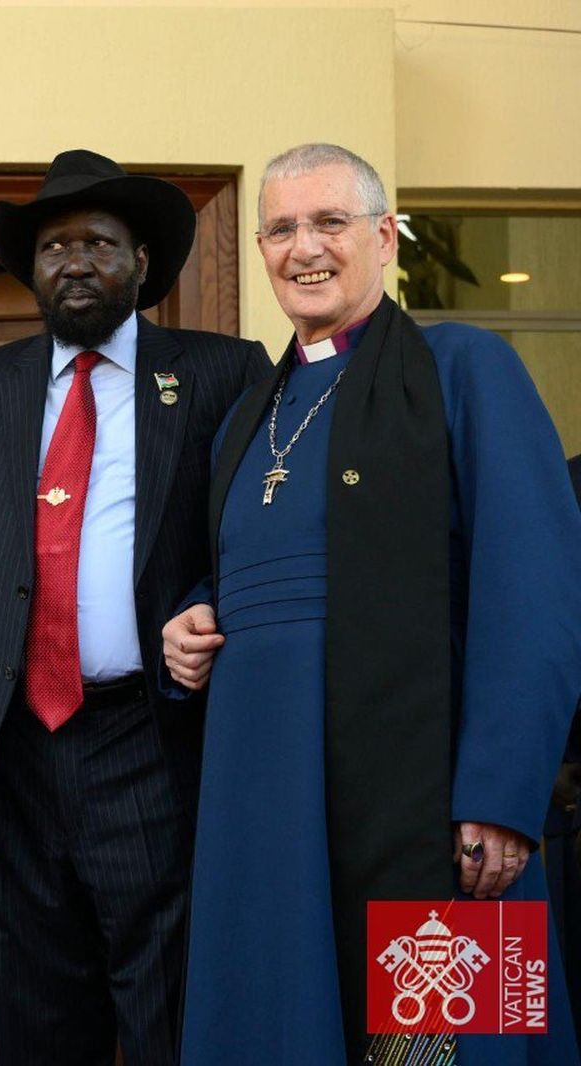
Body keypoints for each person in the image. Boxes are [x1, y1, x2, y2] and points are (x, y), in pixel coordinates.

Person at [164, 142, 581, 1063]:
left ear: (384, 238)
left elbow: (536, 590)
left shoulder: (465, 368)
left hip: (425, 801)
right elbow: (258, 563)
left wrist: (503, 796)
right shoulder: (247, 414)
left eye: (329, 223)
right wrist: (193, 618)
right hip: (263, 798)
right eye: (280, 228)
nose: (302, 247)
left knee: (444, 1038)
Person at [0, 149, 267, 1065]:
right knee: (33, 1020)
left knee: (164, 1012)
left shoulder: (224, 374)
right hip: (12, 756)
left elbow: (259, 548)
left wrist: (202, 613)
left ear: (142, 263)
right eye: (55, 247)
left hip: (150, 738)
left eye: (99, 243)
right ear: (31, 269)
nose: (75, 262)